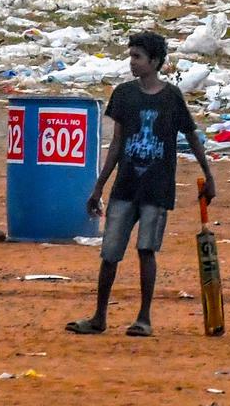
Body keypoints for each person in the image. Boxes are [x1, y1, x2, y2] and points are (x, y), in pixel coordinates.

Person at [66, 32, 216, 336]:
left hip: (157, 189)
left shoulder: (172, 97)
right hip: (126, 186)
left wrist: (209, 175)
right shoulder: (123, 94)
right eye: (131, 55)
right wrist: (99, 187)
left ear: (155, 61)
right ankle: (99, 317)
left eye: (137, 56)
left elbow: (191, 137)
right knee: (109, 253)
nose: (132, 62)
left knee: (146, 250)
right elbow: (117, 142)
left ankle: (144, 318)